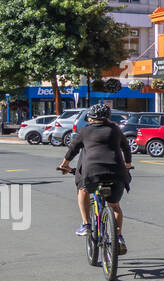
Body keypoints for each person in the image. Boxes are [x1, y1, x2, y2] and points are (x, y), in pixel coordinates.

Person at [57, 103, 133, 254]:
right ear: (108, 118)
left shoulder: (85, 131)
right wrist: (128, 165)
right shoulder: (115, 130)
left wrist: (64, 164)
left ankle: (86, 224)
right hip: (116, 173)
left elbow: (73, 149)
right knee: (115, 206)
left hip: (92, 173)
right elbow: (126, 147)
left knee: (83, 190)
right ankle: (118, 237)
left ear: (90, 118)